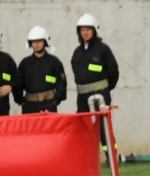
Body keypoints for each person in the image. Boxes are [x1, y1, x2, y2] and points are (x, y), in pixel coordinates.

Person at [70, 13, 119, 155]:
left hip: (100, 95)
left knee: (104, 128)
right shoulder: (77, 52)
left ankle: (111, 156)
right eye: (82, 30)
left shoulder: (103, 49)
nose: (85, 32)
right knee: (83, 127)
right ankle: (86, 158)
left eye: (88, 29)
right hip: (82, 97)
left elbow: (113, 71)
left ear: (94, 30)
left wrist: (105, 89)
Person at [14, 26, 67, 114]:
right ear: (30, 43)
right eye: (34, 41)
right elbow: (18, 83)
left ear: (45, 42)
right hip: (29, 106)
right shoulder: (25, 63)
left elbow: (61, 83)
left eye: (39, 41)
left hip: (49, 104)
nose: (36, 44)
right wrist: (21, 101)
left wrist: (55, 102)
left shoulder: (54, 62)